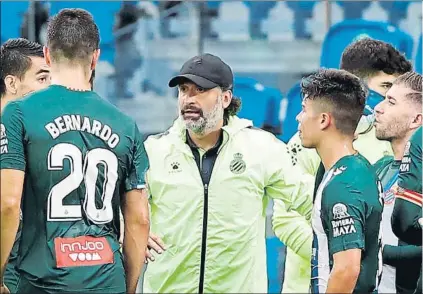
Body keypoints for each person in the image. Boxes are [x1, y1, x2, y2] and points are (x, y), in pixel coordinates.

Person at [0, 9, 149, 294]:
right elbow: (139, 219)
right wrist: (127, 287)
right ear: (95, 57)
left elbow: (8, 203)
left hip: (43, 281)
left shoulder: (19, 113)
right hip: (107, 279)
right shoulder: (126, 125)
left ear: (47, 55)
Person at [142, 53, 312, 293]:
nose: (188, 99)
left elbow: (310, 199)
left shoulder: (261, 148)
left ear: (225, 98)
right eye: (183, 90)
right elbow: (121, 208)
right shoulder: (154, 151)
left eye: (199, 90)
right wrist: (135, 229)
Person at [278, 38, 411, 293]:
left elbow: (351, 262)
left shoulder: (386, 142)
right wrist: (330, 253)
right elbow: (285, 220)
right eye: (385, 87)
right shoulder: (304, 141)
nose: (388, 99)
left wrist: (345, 256)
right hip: (305, 283)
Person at [297, 69, 383, 293]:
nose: (298, 117)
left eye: (304, 110)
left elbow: (347, 269)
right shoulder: (356, 167)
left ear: (324, 120)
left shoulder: (343, 184)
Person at [0, 38, 51, 293]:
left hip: (38, 274)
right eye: (42, 79)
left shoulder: (41, 136)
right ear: (12, 83)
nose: (51, 88)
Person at [373, 71, 422, 293]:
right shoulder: (379, 168)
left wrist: (378, 252)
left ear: (417, 120)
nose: (378, 108)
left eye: (391, 102)